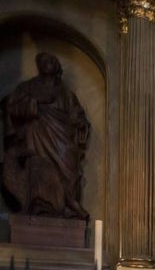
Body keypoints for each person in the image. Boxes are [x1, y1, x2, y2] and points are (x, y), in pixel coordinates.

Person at [1, 52, 90, 219]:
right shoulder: (27, 87)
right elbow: (11, 106)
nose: (47, 63)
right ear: (38, 65)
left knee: (70, 170)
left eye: (51, 60)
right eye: (42, 60)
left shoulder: (65, 93)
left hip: (62, 140)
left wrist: (81, 123)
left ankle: (69, 206)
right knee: (39, 168)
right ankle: (40, 208)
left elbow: (77, 115)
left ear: (56, 66)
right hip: (36, 139)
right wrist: (33, 106)